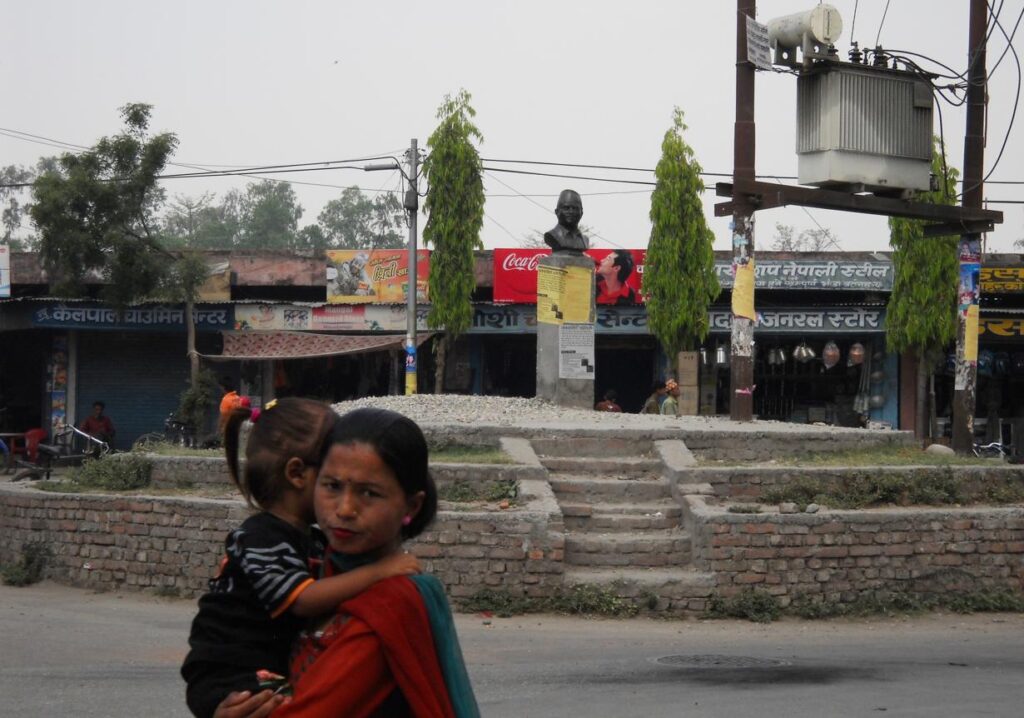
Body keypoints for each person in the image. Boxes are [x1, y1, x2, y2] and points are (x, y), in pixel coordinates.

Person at [213, 407, 480, 718]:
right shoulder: (312, 568)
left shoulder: (389, 607)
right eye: (332, 486)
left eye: (369, 493)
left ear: (411, 505)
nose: (345, 509)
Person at [182, 399, 422, 718]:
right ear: (297, 473)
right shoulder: (261, 538)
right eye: (333, 478)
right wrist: (381, 570)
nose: (345, 503)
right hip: (229, 674)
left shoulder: (311, 539)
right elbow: (303, 600)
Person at [543, 189, 589, 254]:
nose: (571, 212)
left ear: (581, 213)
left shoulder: (585, 240)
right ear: (557, 212)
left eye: (575, 208)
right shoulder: (551, 236)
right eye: (566, 208)